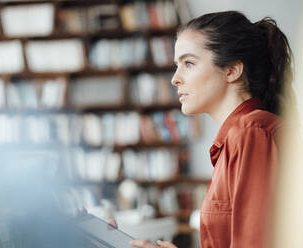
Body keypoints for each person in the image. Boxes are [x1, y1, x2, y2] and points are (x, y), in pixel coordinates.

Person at [112, 11, 295, 248]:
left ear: (232, 70)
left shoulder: (251, 132)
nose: (175, 79)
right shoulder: (239, 137)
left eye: (189, 63)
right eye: (177, 65)